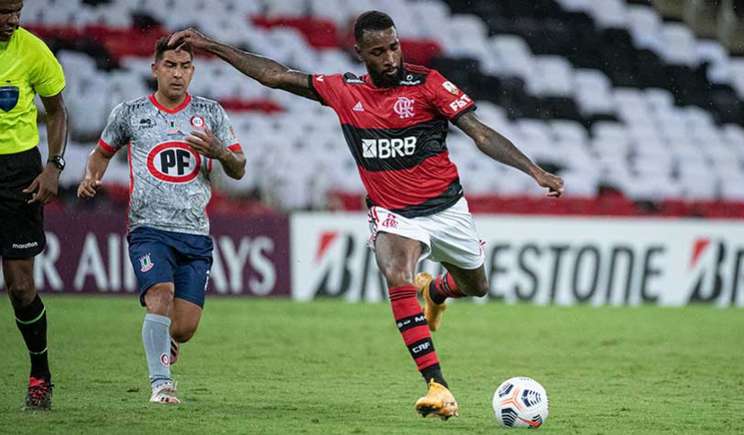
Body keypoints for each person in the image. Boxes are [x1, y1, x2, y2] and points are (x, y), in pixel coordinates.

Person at [170, 10, 563, 419]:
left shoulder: (428, 84)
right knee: (397, 273)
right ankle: (437, 384)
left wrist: (534, 171)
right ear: (359, 53)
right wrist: (211, 44)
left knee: (477, 285)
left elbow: (479, 133)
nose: (390, 58)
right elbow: (275, 75)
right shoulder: (343, 90)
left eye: (394, 47)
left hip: (447, 208)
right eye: (378, 52)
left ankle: (436, 293)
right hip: (393, 213)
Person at [77, 35, 246, 404]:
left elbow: (239, 169)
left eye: (185, 67)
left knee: (183, 328)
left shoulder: (211, 113)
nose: (177, 74)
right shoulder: (130, 112)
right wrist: (92, 176)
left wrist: (218, 151)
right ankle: (161, 384)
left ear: (193, 72)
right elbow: (102, 152)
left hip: (195, 233)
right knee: (160, 295)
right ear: (155, 69)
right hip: (148, 227)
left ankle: (165, 340)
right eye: (170, 65)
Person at [0, 0, 68, 410]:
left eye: (17, 11)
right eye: (4, 11)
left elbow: (57, 111)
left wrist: (54, 166)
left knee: (21, 288)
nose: (12, 20)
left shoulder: (33, 50)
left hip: (17, 172)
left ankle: (39, 373)